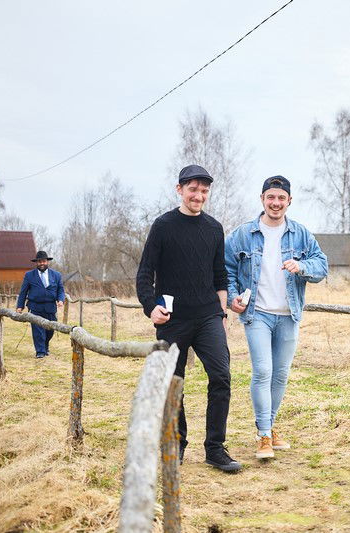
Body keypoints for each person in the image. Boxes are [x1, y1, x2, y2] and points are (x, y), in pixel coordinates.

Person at [136, 164, 242, 473]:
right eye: (193, 189)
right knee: (173, 382)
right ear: (179, 189)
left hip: (209, 315)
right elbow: (145, 273)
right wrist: (150, 307)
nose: (199, 195)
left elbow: (219, 275)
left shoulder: (213, 228)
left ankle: (215, 448)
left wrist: (222, 312)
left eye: (204, 190)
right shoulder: (163, 226)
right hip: (173, 320)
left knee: (221, 376)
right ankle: (176, 443)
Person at [225, 175, 328, 459]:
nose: (276, 203)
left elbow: (322, 266)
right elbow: (226, 268)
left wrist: (302, 265)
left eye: (281, 198)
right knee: (263, 371)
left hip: (289, 314)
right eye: (271, 197)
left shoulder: (301, 234)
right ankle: (264, 435)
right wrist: (232, 295)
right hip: (256, 312)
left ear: (289, 201)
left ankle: (268, 428)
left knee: (280, 375)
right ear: (262, 200)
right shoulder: (243, 234)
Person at [15, 250, 65, 358]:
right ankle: (40, 352)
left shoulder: (56, 275)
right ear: (36, 263)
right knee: (38, 330)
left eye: (43, 261)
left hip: (50, 307)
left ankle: (45, 346)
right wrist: (20, 306)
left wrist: (60, 300)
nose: (41, 263)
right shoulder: (29, 275)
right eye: (39, 262)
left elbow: (61, 290)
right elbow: (23, 291)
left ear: (47, 261)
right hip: (35, 307)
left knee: (50, 330)